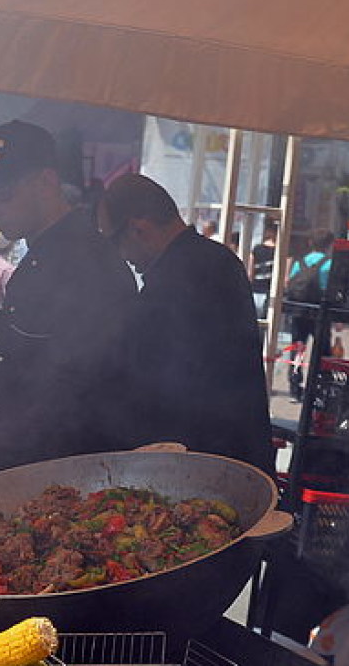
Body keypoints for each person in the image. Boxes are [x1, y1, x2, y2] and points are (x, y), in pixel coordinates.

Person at [0, 120, 138, 473]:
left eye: (3, 195)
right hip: (23, 461)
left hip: (55, 473)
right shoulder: (44, 255)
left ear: (47, 182)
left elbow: (76, 392)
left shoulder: (87, 264)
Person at [96, 173, 275, 474]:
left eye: (116, 243)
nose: (122, 257)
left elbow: (147, 378)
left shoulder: (177, 278)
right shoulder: (218, 259)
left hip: (204, 464)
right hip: (235, 453)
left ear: (137, 228)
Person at [284, 228, 336, 401]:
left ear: (310, 243)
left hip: (299, 310)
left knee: (298, 347)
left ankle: (295, 384)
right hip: (320, 312)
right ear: (329, 245)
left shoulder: (300, 262)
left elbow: (289, 284)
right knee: (322, 349)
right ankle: (321, 384)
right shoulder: (330, 264)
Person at [248, 220, 278, 319]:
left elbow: (250, 273)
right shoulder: (282, 251)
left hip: (255, 288)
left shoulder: (257, 249)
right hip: (272, 291)